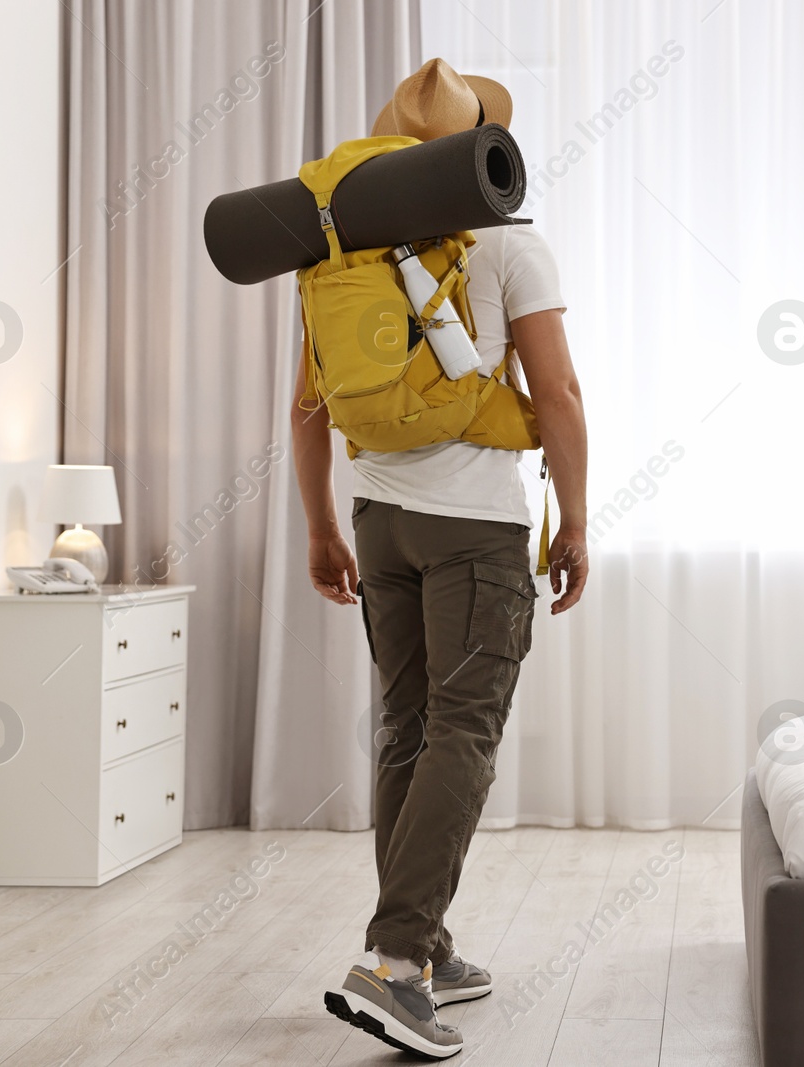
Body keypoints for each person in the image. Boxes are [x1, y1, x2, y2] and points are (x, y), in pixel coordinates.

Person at [292, 58, 589, 1058]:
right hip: (474, 529)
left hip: (379, 519)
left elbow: (307, 407)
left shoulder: (341, 255)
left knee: (405, 730)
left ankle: (429, 940)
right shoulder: (511, 245)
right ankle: (397, 959)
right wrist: (576, 518)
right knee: (464, 731)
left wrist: (321, 526)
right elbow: (559, 396)